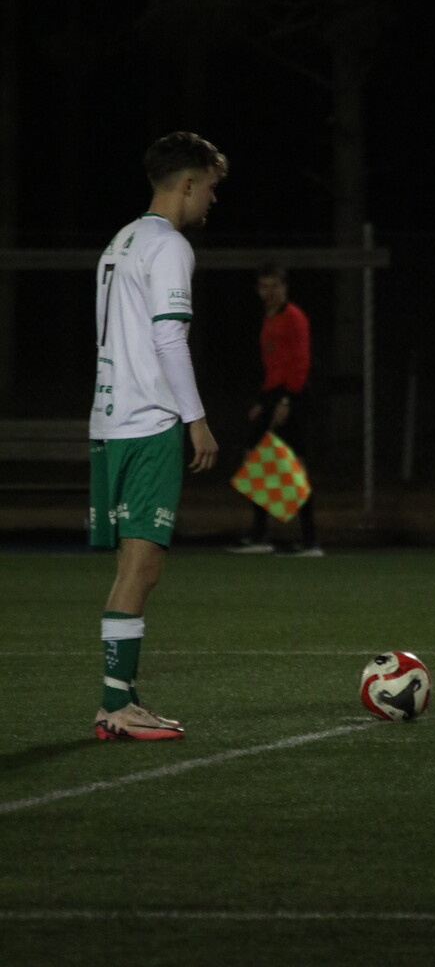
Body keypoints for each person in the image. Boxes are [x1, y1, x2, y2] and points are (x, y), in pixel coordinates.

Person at [89, 131, 228, 740]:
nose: (213, 200)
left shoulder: (121, 240)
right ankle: (115, 708)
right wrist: (195, 419)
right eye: (212, 187)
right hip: (148, 422)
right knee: (142, 568)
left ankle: (120, 699)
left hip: (110, 418)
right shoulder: (170, 245)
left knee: (132, 567)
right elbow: (168, 337)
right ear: (188, 183)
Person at [229, 263, 323, 557]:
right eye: (264, 286)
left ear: (284, 288)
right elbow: (273, 364)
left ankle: (309, 540)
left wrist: (287, 400)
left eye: (275, 286)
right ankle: (262, 535)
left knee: (293, 465)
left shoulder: (294, 317)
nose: (269, 292)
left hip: (291, 396)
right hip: (273, 394)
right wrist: (262, 400)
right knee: (257, 459)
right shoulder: (268, 318)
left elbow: (300, 362)